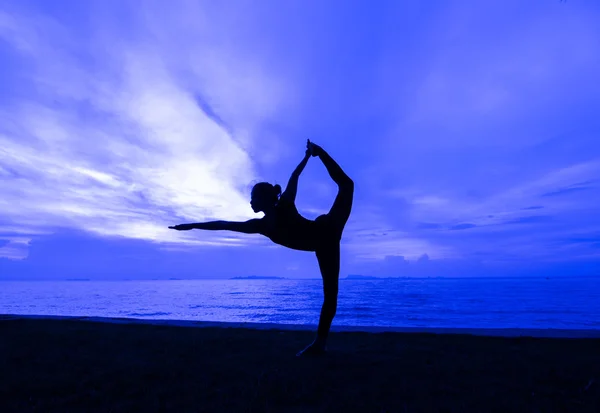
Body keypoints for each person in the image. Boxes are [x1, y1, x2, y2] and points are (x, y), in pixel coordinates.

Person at [169, 140, 354, 356]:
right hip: (323, 244)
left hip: (328, 231)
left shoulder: (285, 204)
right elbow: (223, 225)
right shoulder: (260, 226)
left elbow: (294, 177)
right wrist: (191, 226)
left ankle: (320, 150)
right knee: (329, 296)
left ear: (265, 198)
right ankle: (319, 345)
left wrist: (310, 155)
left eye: (252, 198)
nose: (250, 202)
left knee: (347, 185)